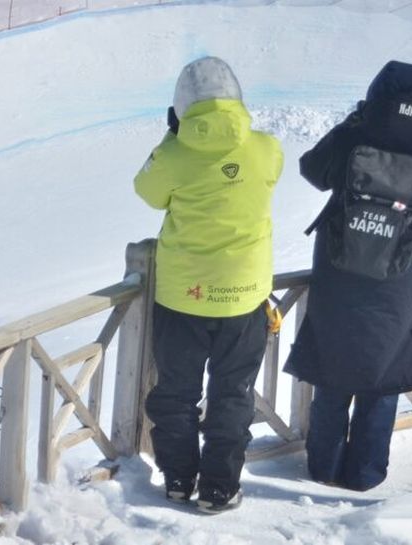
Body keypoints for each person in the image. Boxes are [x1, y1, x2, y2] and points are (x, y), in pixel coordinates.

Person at [284, 60, 412, 492]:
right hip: (398, 282)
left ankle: (323, 469)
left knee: (333, 364)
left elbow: (312, 169)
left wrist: (353, 121)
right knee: (384, 370)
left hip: (339, 273)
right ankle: (365, 476)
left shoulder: (356, 135)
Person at [134, 56, 283, 514]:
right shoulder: (265, 148)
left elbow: (147, 191)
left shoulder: (174, 155)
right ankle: (220, 487)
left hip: (184, 296)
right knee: (232, 394)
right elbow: (269, 176)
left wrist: (171, 137)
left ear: (181, 107)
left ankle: (179, 477)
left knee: (176, 392)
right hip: (245, 297)